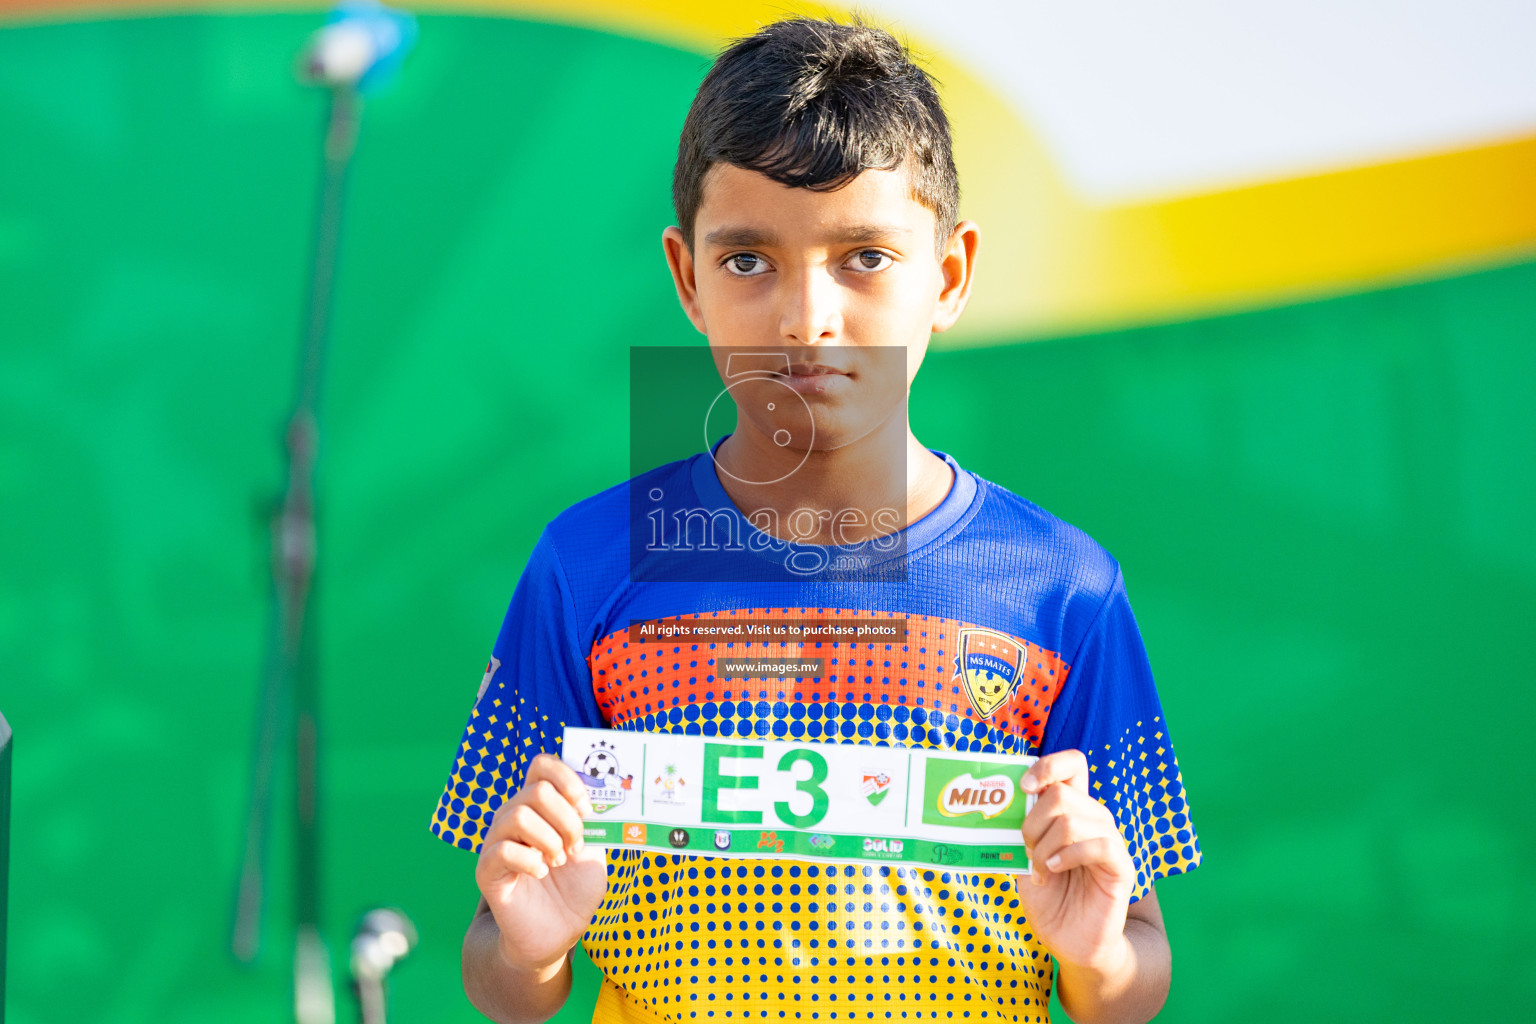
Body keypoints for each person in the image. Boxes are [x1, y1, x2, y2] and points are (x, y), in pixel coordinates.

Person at [430, 16, 1200, 1024]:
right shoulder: (587, 563)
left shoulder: (1063, 588)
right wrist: (529, 944)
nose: (806, 317)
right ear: (687, 279)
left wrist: (1098, 951)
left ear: (951, 276)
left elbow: (1134, 973)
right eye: (748, 260)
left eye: (865, 257)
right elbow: (500, 969)